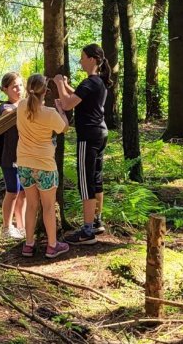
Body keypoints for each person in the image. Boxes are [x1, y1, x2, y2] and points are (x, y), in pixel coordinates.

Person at [52, 43, 113, 246]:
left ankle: (87, 231)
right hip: (100, 133)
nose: (80, 61)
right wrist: (66, 86)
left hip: (88, 136)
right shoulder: (98, 82)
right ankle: (96, 221)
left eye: (83, 57)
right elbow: (78, 96)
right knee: (96, 178)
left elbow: (68, 103)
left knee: (86, 182)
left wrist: (59, 83)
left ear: (92, 59)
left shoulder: (90, 82)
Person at [16, 74, 70, 259]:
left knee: (31, 205)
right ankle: (52, 246)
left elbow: (30, 104)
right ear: (45, 91)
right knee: (48, 207)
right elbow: (64, 128)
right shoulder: (50, 113)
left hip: (24, 164)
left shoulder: (21, 106)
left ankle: (28, 244)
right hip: (45, 165)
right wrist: (61, 110)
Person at [0, 72, 27, 240]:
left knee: (23, 193)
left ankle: (21, 227)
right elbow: (7, 113)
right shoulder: (5, 106)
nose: (18, 89)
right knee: (13, 191)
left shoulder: (25, 104)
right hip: (9, 157)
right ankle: (6, 227)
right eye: (14, 87)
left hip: (25, 156)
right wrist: (23, 107)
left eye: (20, 85)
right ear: (5, 89)